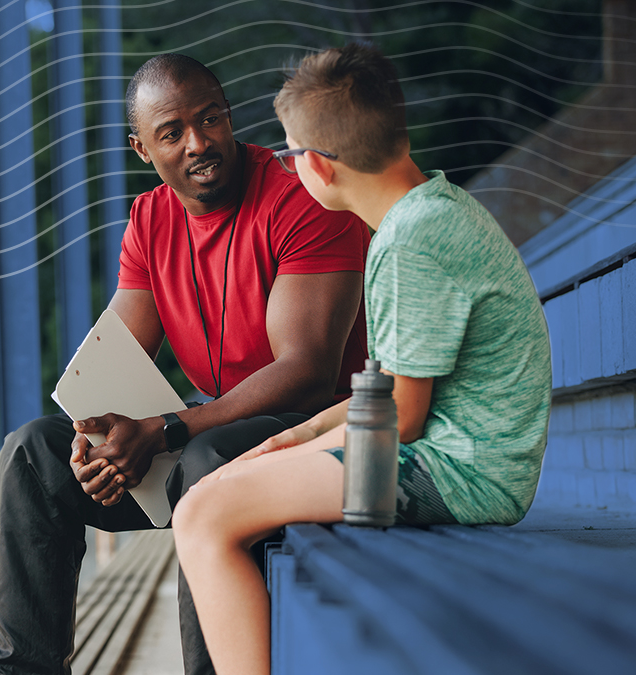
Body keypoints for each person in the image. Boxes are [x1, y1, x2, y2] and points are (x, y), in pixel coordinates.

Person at [0, 54, 371, 675]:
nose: (199, 142)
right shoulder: (150, 221)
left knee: (211, 462)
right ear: (141, 148)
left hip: (321, 442)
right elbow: (112, 370)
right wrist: (93, 443)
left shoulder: (301, 197)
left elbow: (307, 372)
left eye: (210, 119)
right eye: (172, 132)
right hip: (214, 439)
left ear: (229, 115)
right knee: (31, 456)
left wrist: (169, 427)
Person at [172, 43, 553, 675]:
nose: (290, 170)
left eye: (292, 156)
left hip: (461, 476)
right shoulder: (430, 210)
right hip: (459, 460)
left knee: (202, 516)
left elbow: (400, 420)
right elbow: (386, 397)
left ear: (318, 167)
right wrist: (291, 440)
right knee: (223, 485)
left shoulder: (411, 243)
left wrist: (284, 457)